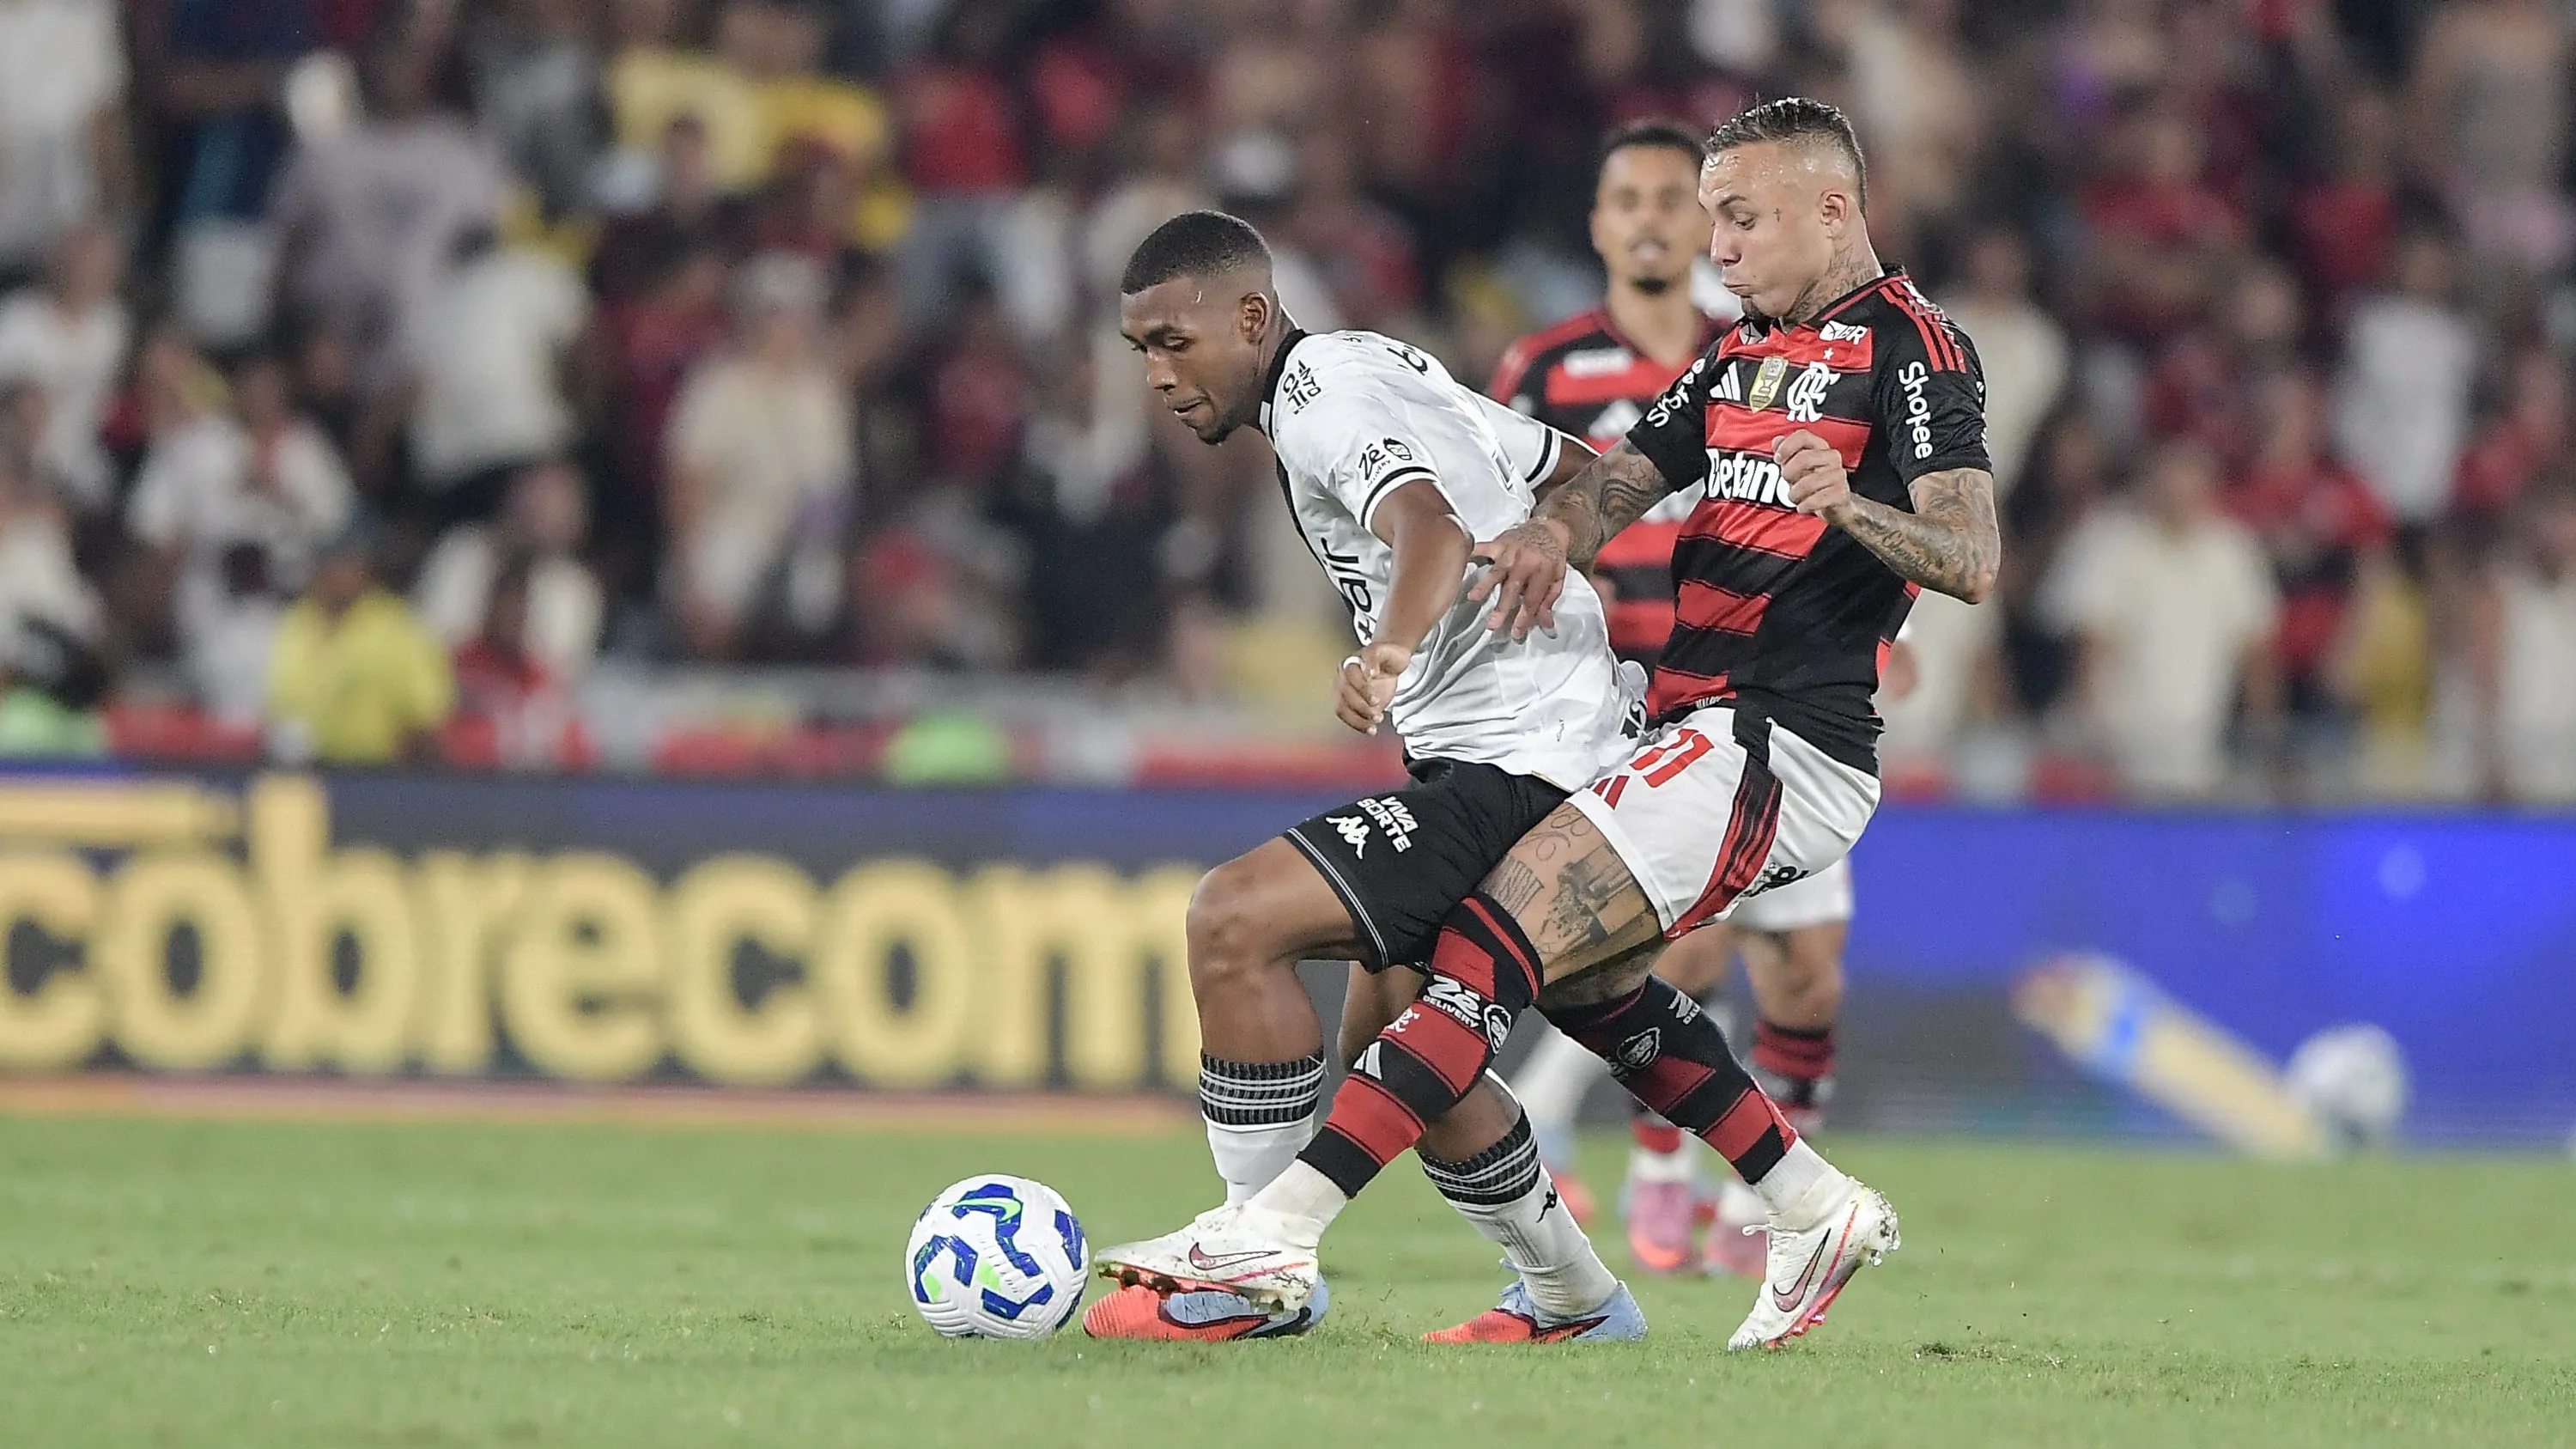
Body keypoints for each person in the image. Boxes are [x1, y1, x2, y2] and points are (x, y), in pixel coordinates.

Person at [1100, 98, 2001, 1353]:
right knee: (1588, 987)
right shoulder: (1741, 353)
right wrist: (1545, 537)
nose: (1718, 250)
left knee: (1483, 946)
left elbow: (1970, 553)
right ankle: (1803, 1207)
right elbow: (1611, 477)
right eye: (1713, 222)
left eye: (1740, 220)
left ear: (1832, 209)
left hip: (1780, 742)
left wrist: (1849, 505)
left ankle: (1272, 1231)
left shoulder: (1916, 347)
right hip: (1683, 723)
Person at [1081, 210, 1648, 1345]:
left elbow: (1428, 530)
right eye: (1141, 350)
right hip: (1544, 744)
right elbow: (1585, 471)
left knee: (1234, 917)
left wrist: (1391, 652)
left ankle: (1249, 1265)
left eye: (1174, 343)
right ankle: (1578, 1302)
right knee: (1401, 1046)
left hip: (1522, 758)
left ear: (1252, 317)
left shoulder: (1322, 401)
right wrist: (1555, 562)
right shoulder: (1380, 366)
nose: (1157, 375)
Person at [1487, 119, 1859, 1280]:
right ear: (1598, 226)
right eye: (1628, 200)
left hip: (1770, 687)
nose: (1650, 220)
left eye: (1671, 200)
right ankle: (1666, 1178)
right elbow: (1497, 513)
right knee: (1677, 944)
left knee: (1806, 969)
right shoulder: (1545, 370)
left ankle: (1741, 1196)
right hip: (1613, 701)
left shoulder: (1769, 353)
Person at [266, 524, 455, 765]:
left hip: (378, 769)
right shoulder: (295, 621)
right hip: (302, 766)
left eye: (352, 564)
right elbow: (276, 702)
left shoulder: (398, 626)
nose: (343, 573)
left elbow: (427, 716)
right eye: (335, 563)